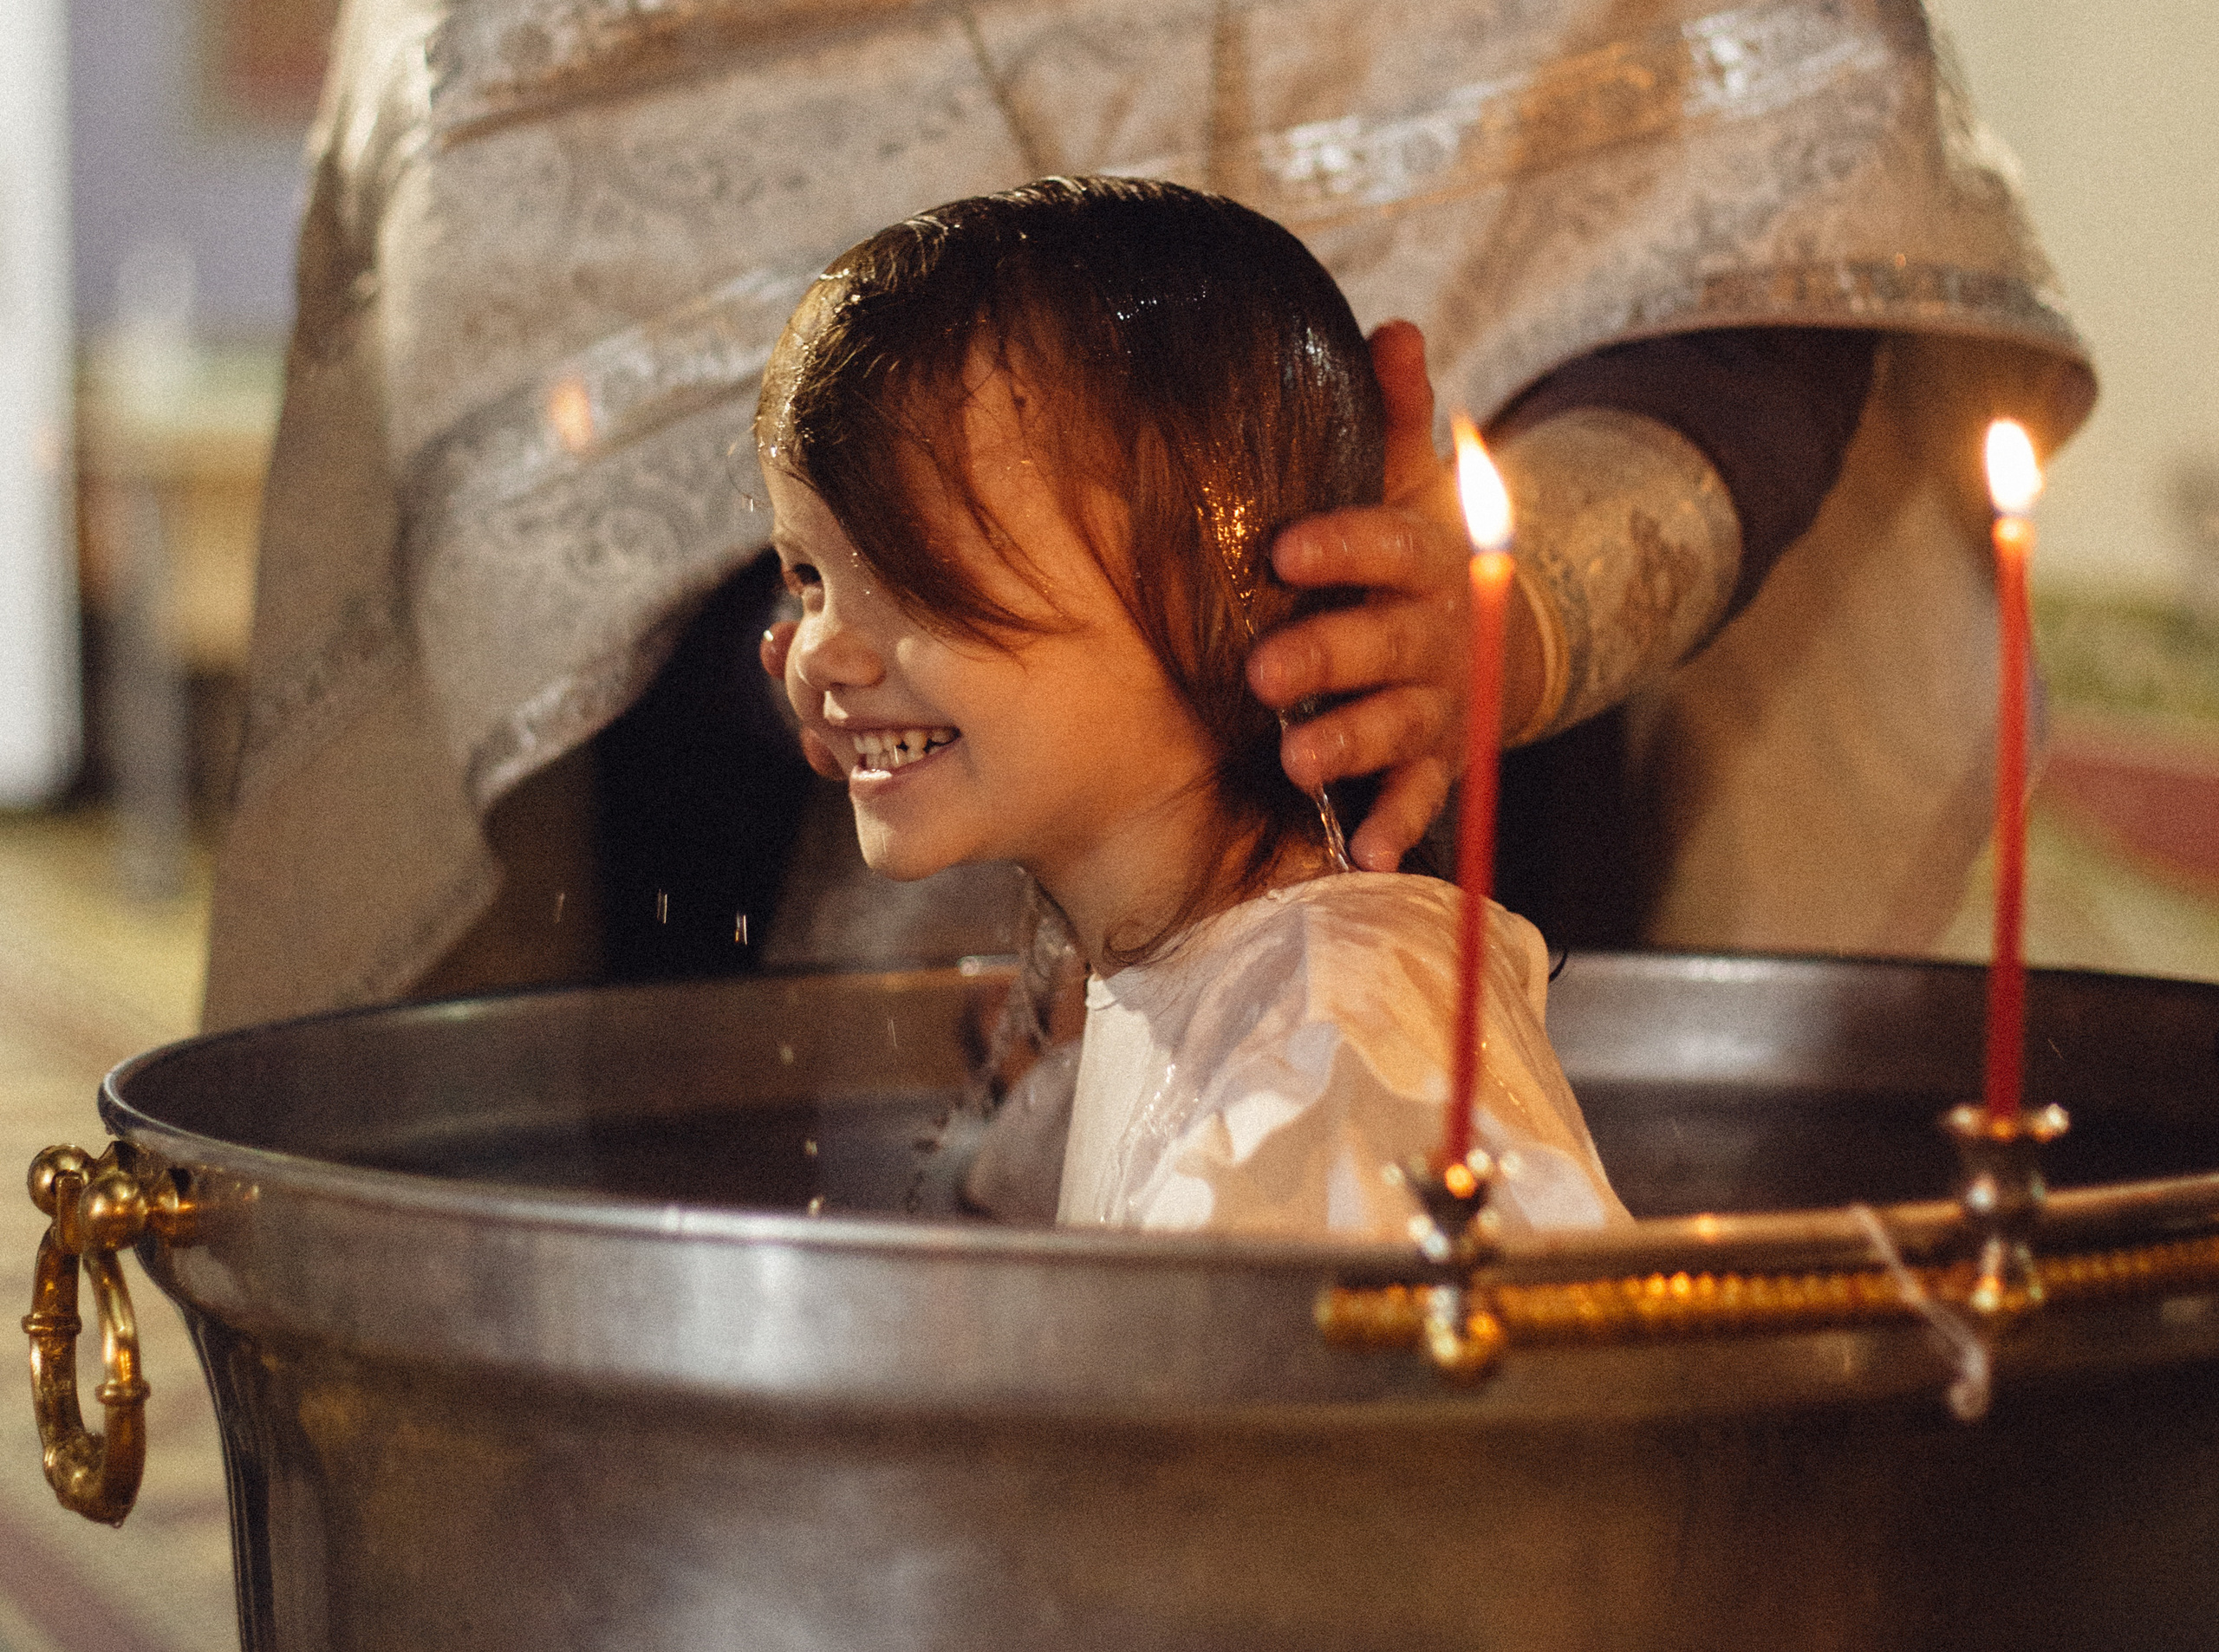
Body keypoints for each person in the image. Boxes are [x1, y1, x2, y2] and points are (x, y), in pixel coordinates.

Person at [203, 0, 2092, 1031]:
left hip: (1454, 830)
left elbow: (1765, 220)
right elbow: (529, 478)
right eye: (806, 581)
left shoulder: (1346, 1082)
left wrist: (1505, 605)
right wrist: (884, 643)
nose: (823, 641)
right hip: (752, 1008)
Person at [758, 176, 1622, 1237]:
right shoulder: (1191, 985)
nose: (819, 653)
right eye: (808, 575)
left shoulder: (1338, 1038)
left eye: (912, 571)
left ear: (1218, 582)